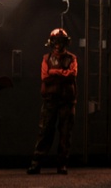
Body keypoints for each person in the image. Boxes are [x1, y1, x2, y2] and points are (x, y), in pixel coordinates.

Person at [27, 28, 78, 175]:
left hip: (67, 101)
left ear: (65, 43)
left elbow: (72, 75)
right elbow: (45, 77)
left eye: (60, 42)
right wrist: (62, 73)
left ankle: (62, 165)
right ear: (51, 43)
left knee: (65, 134)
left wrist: (54, 72)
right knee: (45, 132)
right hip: (50, 100)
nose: (58, 45)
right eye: (55, 42)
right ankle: (36, 164)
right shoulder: (46, 58)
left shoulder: (72, 58)